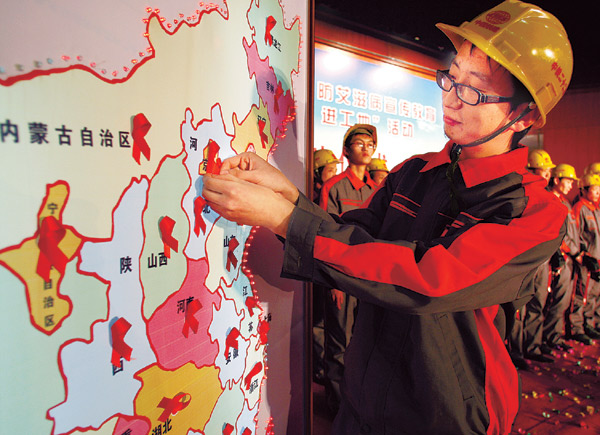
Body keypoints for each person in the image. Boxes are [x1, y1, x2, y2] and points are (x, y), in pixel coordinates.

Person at [202, 1, 572, 433]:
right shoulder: (414, 173)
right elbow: (356, 238)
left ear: (524, 114)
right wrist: (288, 196)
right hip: (365, 395)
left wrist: (287, 219)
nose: (452, 98)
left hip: (444, 412)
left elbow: (430, 280)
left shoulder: (532, 211)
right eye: (451, 78)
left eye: (474, 89)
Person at [318, 124, 378, 415]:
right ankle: (337, 406)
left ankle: (356, 404)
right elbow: (326, 234)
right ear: (346, 151)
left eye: (370, 143)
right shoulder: (334, 187)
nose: (366, 148)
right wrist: (334, 281)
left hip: (367, 279)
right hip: (342, 276)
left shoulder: (376, 190)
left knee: (363, 342)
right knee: (339, 342)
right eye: (359, 143)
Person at [521, 149, 556, 363]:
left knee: (538, 303)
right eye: (543, 171)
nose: (547, 175)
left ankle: (531, 347)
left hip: (544, 259)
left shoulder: (549, 198)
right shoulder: (521, 193)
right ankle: (515, 351)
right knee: (520, 309)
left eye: (548, 172)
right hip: (526, 259)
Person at [311, 148, 340, 385]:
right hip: (319, 268)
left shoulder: (334, 191)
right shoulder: (315, 197)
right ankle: (319, 369)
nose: (333, 174)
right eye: (330, 170)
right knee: (319, 321)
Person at [543, 164, 579, 351]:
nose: (571, 185)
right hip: (556, 258)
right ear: (556, 180)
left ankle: (552, 336)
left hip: (569, 257)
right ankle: (540, 340)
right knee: (548, 301)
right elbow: (557, 234)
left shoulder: (566, 203)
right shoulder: (548, 200)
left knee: (561, 300)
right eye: (568, 181)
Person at [569, 173, 600, 344]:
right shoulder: (580, 208)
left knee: (594, 294)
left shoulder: (595, 209)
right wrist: (583, 254)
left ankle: (589, 323)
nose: (597, 193)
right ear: (585, 190)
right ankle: (577, 327)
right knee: (582, 294)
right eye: (595, 190)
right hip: (586, 260)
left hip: (597, 259)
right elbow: (577, 234)